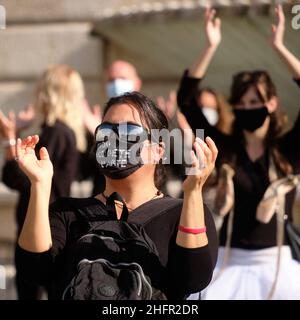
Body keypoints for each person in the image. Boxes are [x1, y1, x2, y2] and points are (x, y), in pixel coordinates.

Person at [14, 91, 218, 300]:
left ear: (158, 150)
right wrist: (39, 184)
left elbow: (194, 279)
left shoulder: (181, 214)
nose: (114, 139)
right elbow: (34, 270)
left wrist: (193, 192)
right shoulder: (67, 213)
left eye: (129, 131)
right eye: (106, 131)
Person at [178, 6, 300, 299]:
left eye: (255, 101)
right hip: (229, 261)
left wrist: (279, 47)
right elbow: (186, 100)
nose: (247, 108)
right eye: (241, 103)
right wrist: (210, 46)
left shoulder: (288, 149)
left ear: (271, 104)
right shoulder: (226, 149)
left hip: (278, 264)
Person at [0, 64, 86, 299]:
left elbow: (21, 180)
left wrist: (9, 140)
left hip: (42, 225)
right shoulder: (60, 131)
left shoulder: (56, 132)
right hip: (46, 223)